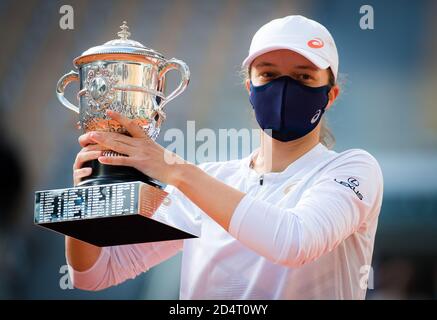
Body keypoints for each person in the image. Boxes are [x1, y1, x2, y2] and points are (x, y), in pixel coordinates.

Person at [66, 15, 383, 299]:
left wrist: (175, 171)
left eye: (303, 77)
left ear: (330, 95)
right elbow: (96, 274)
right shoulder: (210, 180)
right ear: (250, 87)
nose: (284, 88)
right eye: (269, 75)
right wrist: (88, 198)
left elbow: (295, 242)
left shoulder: (353, 169)